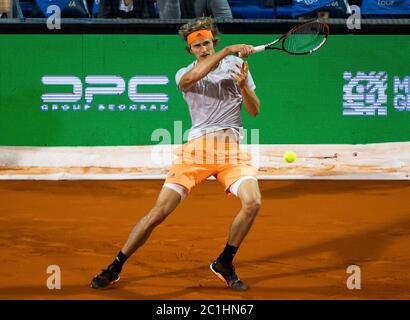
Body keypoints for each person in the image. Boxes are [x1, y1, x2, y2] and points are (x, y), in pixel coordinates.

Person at [90, 16, 261, 291]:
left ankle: (225, 261)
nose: (204, 49)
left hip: (232, 151)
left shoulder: (238, 68)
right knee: (159, 212)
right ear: (190, 50)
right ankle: (116, 266)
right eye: (198, 46)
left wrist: (242, 86)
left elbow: (254, 111)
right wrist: (227, 51)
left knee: (253, 203)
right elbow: (192, 79)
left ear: (213, 41)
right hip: (197, 151)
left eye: (207, 43)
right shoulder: (183, 73)